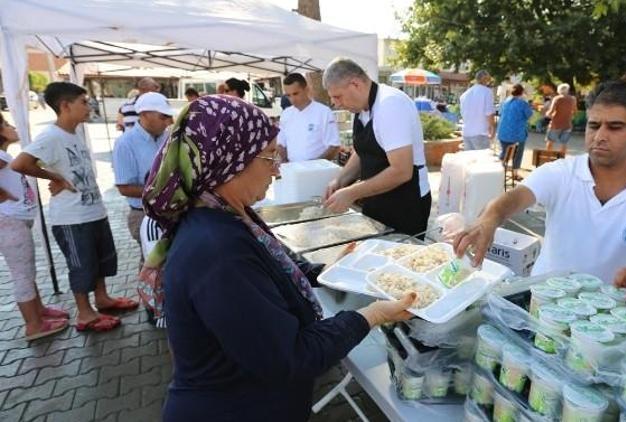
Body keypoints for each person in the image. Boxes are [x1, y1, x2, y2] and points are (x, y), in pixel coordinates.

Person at [138, 95, 415, 421]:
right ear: (230, 160)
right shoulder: (218, 250)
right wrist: (372, 315)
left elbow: (273, 268)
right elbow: (292, 357)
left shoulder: (222, 214)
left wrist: (330, 270)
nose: (278, 170)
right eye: (269, 157)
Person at [453, 80, 626, 301]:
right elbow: (510, 200)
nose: (600, 136)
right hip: (541, 299)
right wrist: (489, 220)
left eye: (615, 127)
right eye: (594, 125)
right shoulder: (560, 173)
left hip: (608, 313)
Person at [12, 82, 137, 332]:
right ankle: (85, 313)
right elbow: (20, 164)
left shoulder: (74, 133)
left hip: (93, 211)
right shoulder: (50, 135)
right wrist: (55, 178)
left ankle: (102, 298)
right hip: (71, 217)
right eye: (83, 102)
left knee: (101, 260)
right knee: (81, 265)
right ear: (65, 106)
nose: (88, 106)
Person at [322, 58, 432, 236]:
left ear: (355, 84)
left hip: (405, 203)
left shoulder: (390, 104)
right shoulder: (360, 109)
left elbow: (401, 171)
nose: (336, 103)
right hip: (376, 198)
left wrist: (351, 193)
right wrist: (341, 180)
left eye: (338, 96)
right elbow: (363, 150)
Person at [0, 113, 70, 341]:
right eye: (6, 124)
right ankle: (33, 324)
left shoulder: (4, 155)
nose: (12, 126)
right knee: (22, 274)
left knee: (27, 270)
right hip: (10, 221)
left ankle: (39, 311)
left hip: (18, 219)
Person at [112, 92, 174, 263]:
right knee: (153, 265)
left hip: (171, 212)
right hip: (144, 215)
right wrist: (164, 192)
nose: (168, 121)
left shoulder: (168, 137)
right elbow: (124, 188)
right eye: (163, 116)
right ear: (145, 114)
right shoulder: (125, 143)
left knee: (172, 262)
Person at [278, 73, 340, 163]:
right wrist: (285, 162)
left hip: (317, 171)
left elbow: (334, 146)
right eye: (288, 95)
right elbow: (281, 143)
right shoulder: (286, 114)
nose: (292, 99)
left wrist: (313, 166)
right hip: (293, 170)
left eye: (295, 94)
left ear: (306, 89)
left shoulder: (324, 112)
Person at [497, 84, 533, 180]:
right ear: (522, 92)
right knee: (517, 154)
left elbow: (500, 113)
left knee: (504, 153)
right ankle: (515, 173)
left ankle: (499, 172)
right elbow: (529, 115)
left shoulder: (505, 102)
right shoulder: (523, 103)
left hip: (503, 132)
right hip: (517, 134)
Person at [459, 70, 495, 150]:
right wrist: (492, 128)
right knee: (482, 161)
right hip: (480, 132)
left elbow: (462, 113)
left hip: (466, 132)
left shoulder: (465, 94)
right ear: (486, 79)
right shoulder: (487, 92)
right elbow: (489, 113)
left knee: (470, 161)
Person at [545, 83, 578, 156]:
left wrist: (547, 114)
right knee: (564, 143)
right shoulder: (573, 99)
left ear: (559, 90)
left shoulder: (557, 98)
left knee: (550, 142)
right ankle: (561, 159)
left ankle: (548, 158)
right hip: (567, 124)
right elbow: (575, 111)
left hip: (555, 124)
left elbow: (551, 111)